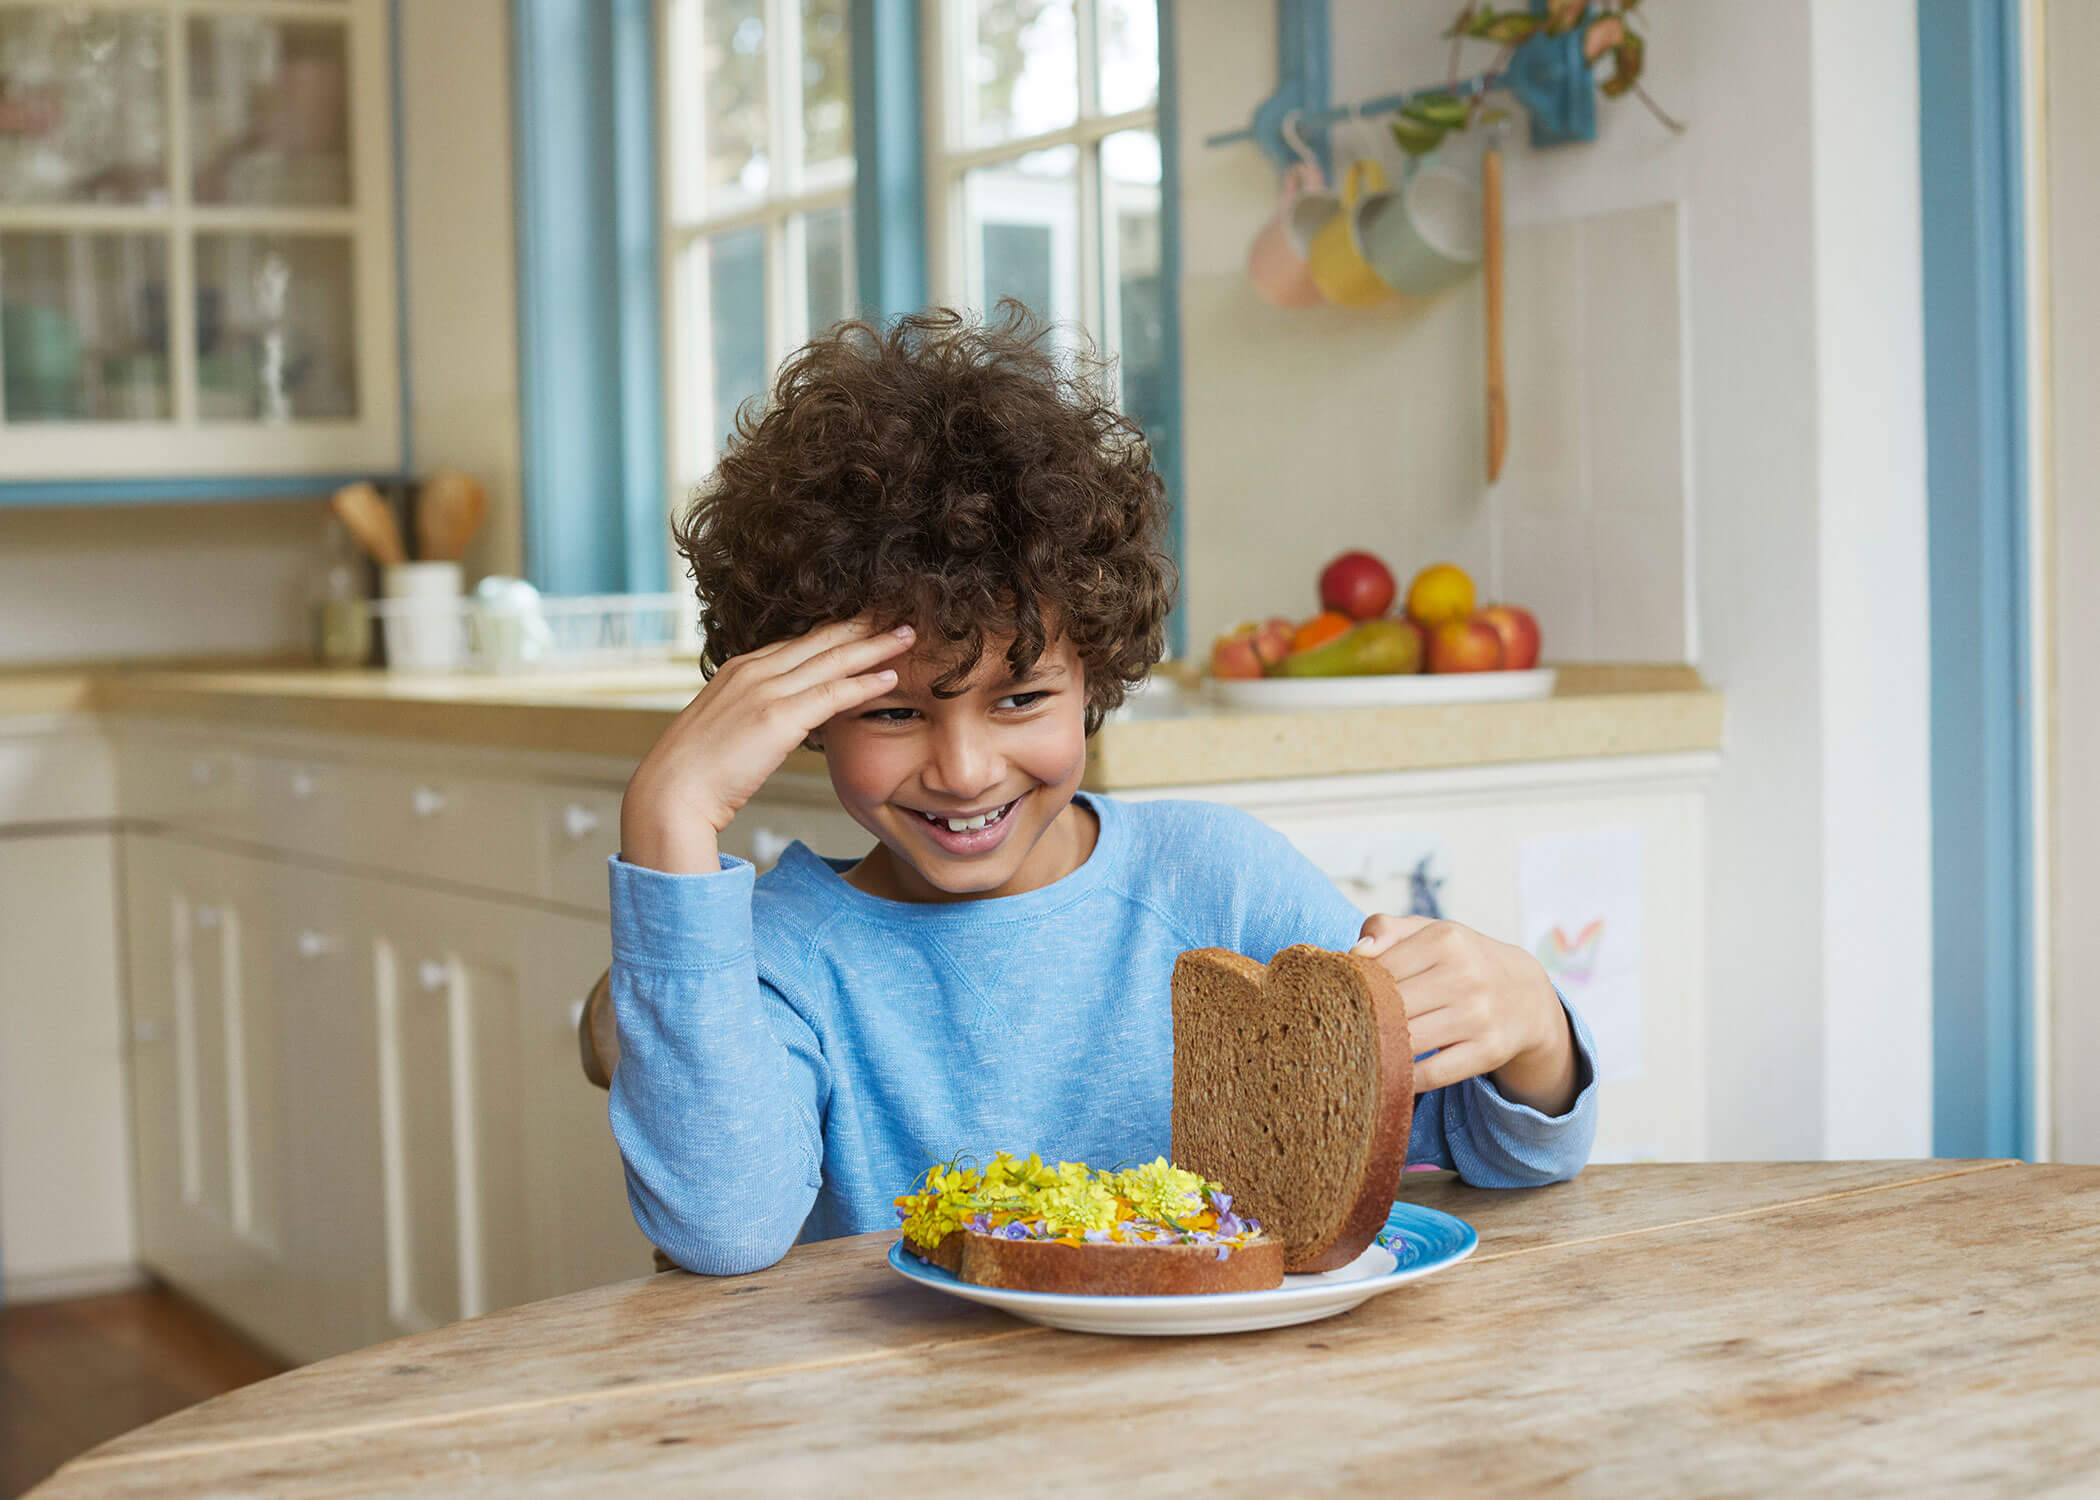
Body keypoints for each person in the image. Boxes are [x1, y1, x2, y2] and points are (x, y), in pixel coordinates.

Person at [612, 304, 1597, 1275]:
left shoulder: (1218, 882)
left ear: (1096, 670)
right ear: (806, 713)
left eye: (1020, 698)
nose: (964, 771)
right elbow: (722, 1228)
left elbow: (1498, 1148)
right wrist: (671, 815)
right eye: (896, 712)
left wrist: (1533, 1025)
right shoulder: (780, 955)